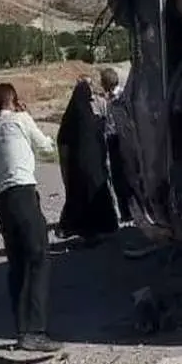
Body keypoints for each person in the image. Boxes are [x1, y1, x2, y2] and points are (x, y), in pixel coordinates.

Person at [0, 83, 61, 353]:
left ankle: (21, 328)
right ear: (15, 101)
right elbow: (47, 148)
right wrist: (28, 116)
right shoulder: (21, 120)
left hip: (4, 202)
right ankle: (36, 330)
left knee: (17, 264)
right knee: (39, 257)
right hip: (23, 194)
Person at [56, 80, 119, 244]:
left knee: (79, 196)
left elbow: (62, 144)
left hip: (77, 167)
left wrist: (65, 171)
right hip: (96, 167)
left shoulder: (69, 120)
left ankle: (81, 229)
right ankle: (104, 227)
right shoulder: (92, 119)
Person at [97, 67, 133, 225]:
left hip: (124, 138)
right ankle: (125, 211)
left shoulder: (122, 96)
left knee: (127, 173)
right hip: (112, 138)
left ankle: (132, 209)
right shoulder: (108, 99)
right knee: (117, 175)